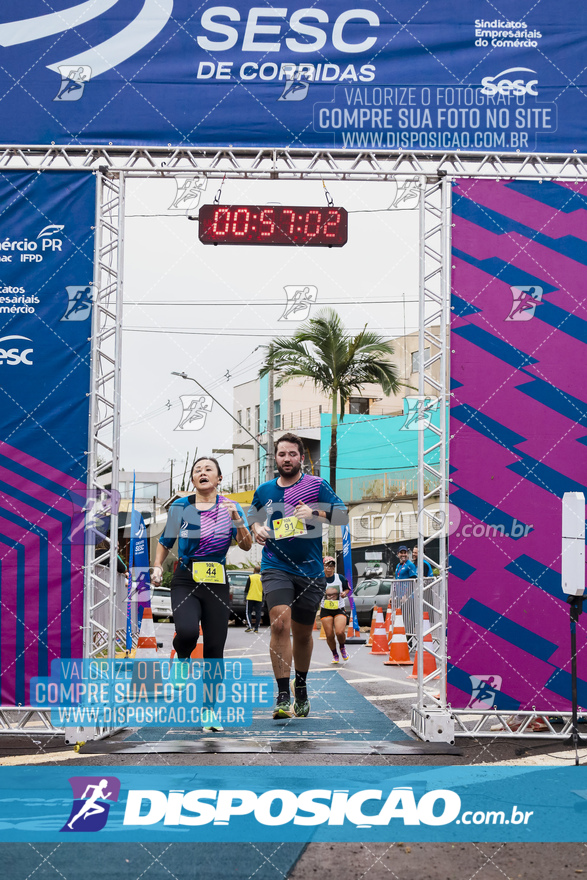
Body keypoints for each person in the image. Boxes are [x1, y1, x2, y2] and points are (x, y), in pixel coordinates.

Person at [248, 433, 348, 719]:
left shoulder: (316, 485)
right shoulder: (265, 489)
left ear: (301, 458)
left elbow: (342, 515)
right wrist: (256, 528)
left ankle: (300, 685)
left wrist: (315, 513)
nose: (287, 459)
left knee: (303, 635)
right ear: (275, 458)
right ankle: (282, 694)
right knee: (280, 622)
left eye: (292, 454)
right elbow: (252, 515)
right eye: (282, 454)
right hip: (275, 565)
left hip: (310, 569)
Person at [152, 457, 252, 729]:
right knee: (187, 632)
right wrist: (158, 566)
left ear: (219, 478)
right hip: (185, 578)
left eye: (209, 469)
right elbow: (165, 541)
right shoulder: (181, 507)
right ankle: (182, 658)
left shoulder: (232, 507)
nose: (203, 473)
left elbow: (245, 545)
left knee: (214, 650)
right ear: (193, 480)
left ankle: (209, 710)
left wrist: (236, 520)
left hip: (217, 581)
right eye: (198, 470)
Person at [320, 556, 350, 663]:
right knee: (329, 635)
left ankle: (342, 647)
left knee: (340, 632)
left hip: (339, 609)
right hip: (326, 609)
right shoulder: (320, 579)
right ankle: (334, 653)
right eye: (327, 565)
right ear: (323, 567)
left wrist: (344, 593)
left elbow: (347, 588)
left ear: (334, 567)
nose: (329, 567)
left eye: (331, 565)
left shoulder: (340, 578)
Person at [244, 564, 263, 633]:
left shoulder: (251, 577)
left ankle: (250, 626)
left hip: (250, 597)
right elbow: (264, 589)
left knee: (248, 611)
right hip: (259, 597)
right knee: (258, 613)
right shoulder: (262, 578)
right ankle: (256, 628)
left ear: (254, 570)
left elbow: (247, 588)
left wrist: (244, 598)